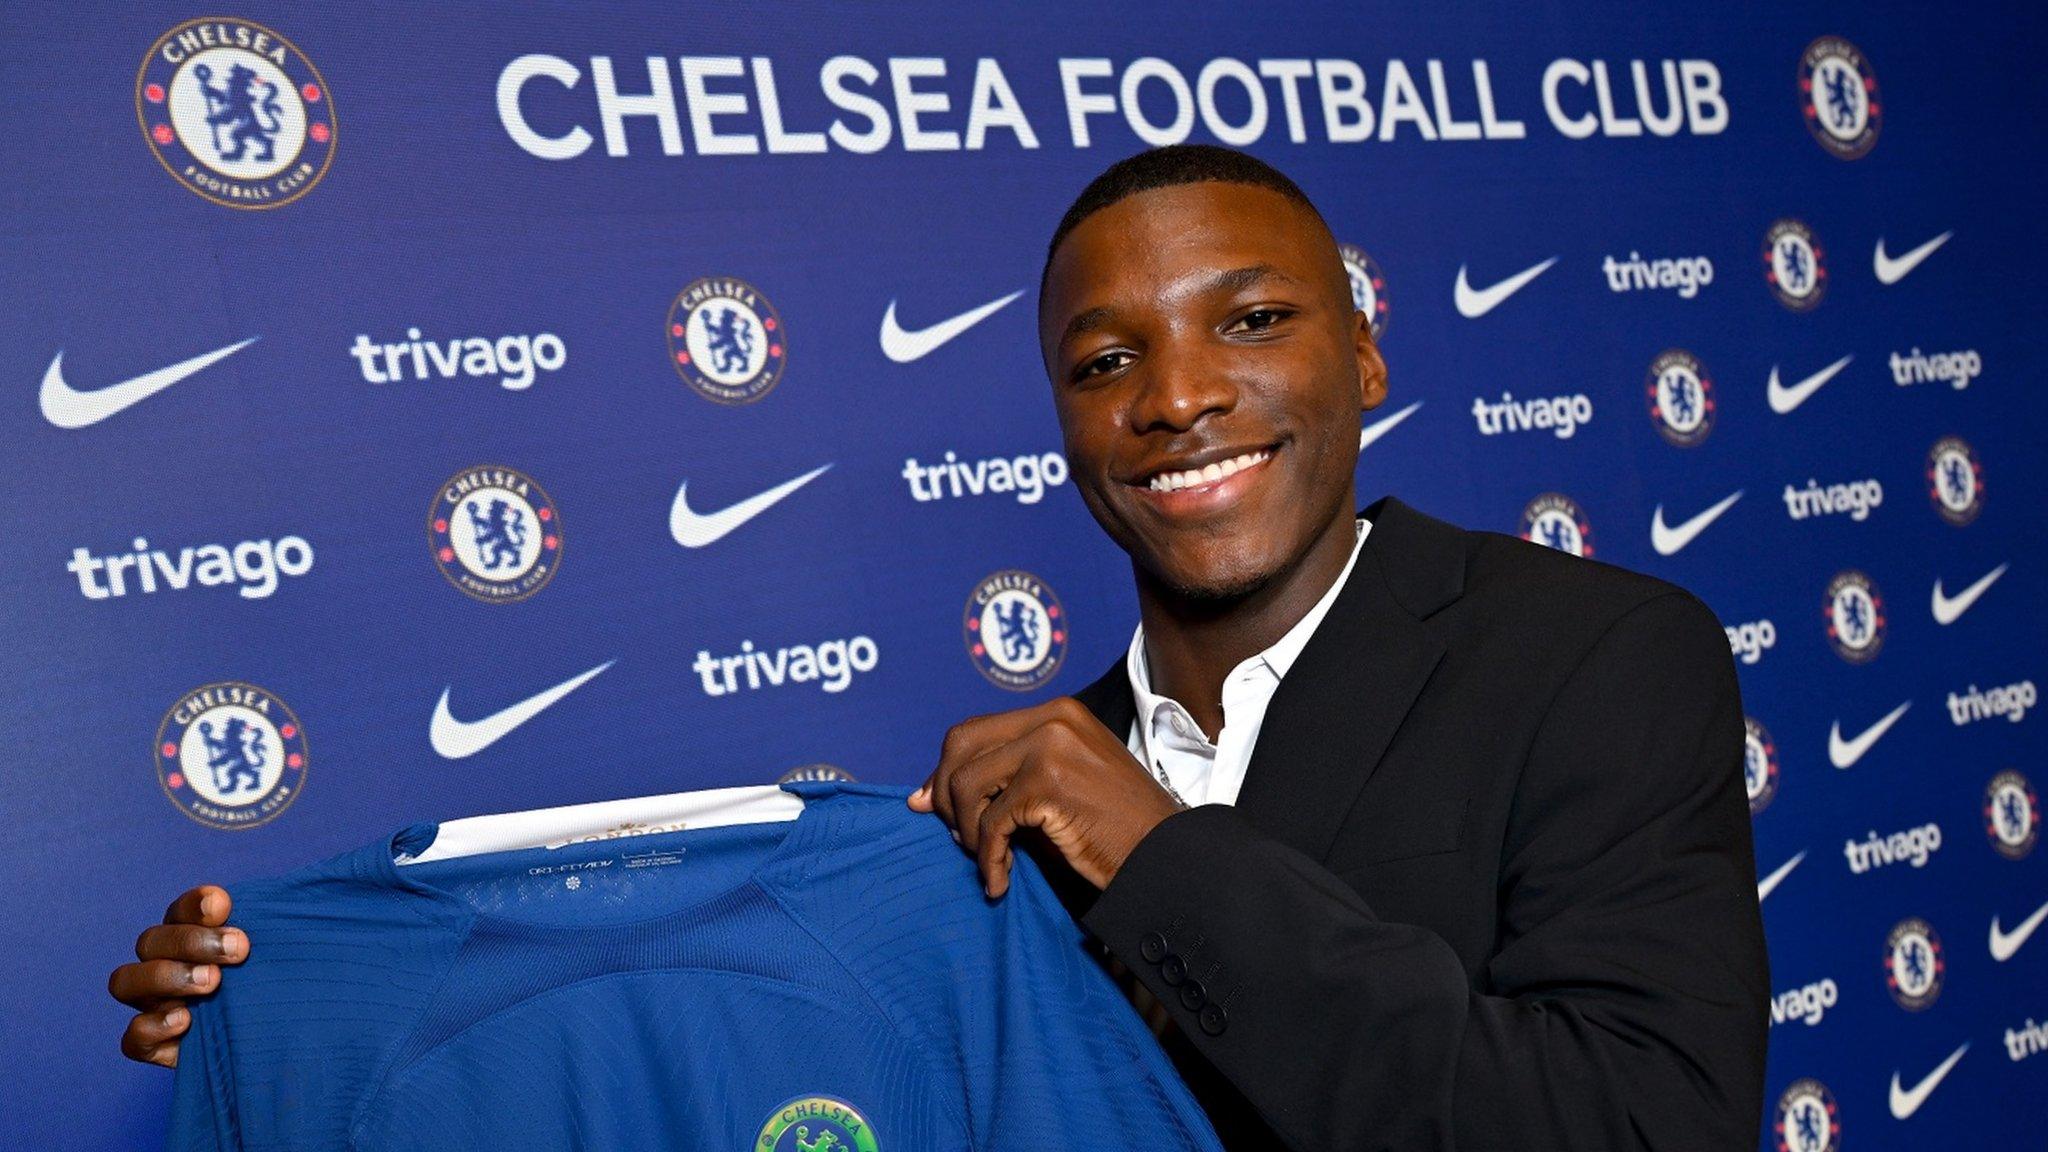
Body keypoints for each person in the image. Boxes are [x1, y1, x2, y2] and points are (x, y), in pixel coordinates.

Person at [110, 145, 1769, 1150]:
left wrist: (1162, 852)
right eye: (1106, 358)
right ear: (1063, 420)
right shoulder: (997, 819)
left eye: (1250, 322)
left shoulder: (1603, 657)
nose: (1178, 396)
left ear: (1368, 351)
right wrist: (288, 1003)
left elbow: (1636, 1129)